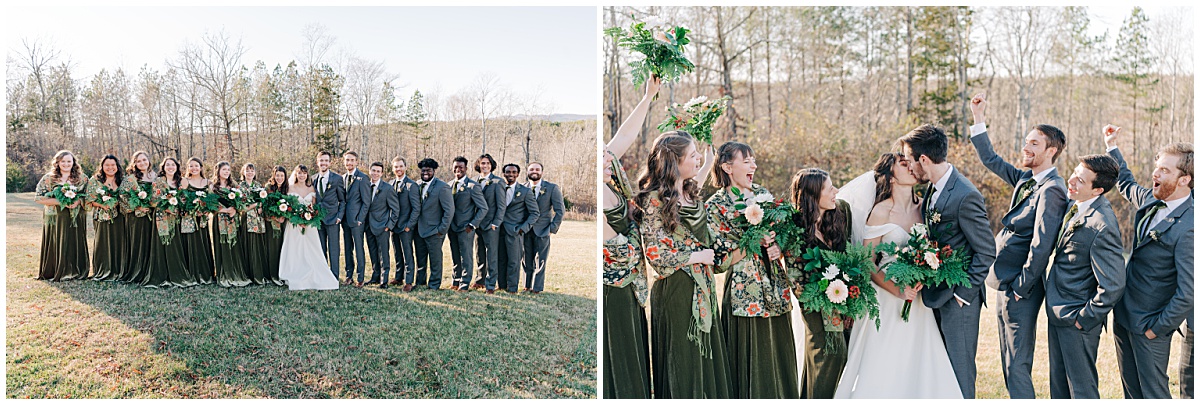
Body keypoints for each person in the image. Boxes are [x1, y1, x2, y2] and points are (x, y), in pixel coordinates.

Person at [832, 154, 962, 399]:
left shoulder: (924, 207)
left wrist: (927, 269)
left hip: (918, 302)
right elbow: (867, 262)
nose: (911, 167)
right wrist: (898, 290)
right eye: (903, 165)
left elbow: (935, 249)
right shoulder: (880, 212)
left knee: (919, 361)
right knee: (885, 361)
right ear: (891, 177)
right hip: (887, 301)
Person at [968, 92, 1069, 398]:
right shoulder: (1027, 179)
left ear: (1051, 151)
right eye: (1026, 141)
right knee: (1007, 361)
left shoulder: (1052, 190)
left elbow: (1041, 247)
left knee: (1017, 363)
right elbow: (990, 159)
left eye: (1034, 143)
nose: (1026, 147)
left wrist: (1020, 287)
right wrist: (978, 118)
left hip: (1020, 288)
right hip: (1004, 282)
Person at [898, 124, 995, 398]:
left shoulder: (966, 195)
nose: (909, 167)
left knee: (959, 372)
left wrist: (963, 294)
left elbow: (987, 250)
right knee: (940, 373)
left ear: (924, 160)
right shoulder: (933, 189)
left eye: (910, 160)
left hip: (958, 302)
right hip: (935, 295)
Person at [637, 131, 733, 398]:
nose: (698, 159)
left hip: (704, 287)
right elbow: (655, 252)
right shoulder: (654, 199)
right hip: (676, 290)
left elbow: (700, 226)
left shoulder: (691, 192)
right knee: (684, 361)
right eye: (692, 155)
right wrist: (697, 257)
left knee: (706, 358)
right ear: (674, 162)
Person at [1105, 126, 1194, 399]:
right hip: (1123, 317)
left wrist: (1158, 328)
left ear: (1184, 180)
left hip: (1151, 326)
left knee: (1154, 394)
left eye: (1165, 170)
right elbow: (1126, 182)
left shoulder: (1191, 225)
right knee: (1131, 394)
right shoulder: (1150, 201)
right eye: (1157, 167)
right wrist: (1111, 146)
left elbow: (1189, 291)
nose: (1156, 173)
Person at [706, 142, 795, 398]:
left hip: (774, 283)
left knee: (778, 349)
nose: (753, 166)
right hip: (745, 290)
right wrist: (751, 242)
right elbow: (718, 262)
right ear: (727, 167)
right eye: (746, 161)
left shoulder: (762, 194)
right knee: (752, 354)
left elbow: (784, 233)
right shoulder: (716, 206)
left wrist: (778, 246)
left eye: (753, 160)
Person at [1043, 154, 1125, 399]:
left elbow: (1113, 284)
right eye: (1074, 173)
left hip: (1076, 320)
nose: (1071, 181)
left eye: (1080, 180)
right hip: (1057, 312)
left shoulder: (1102, 224)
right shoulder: (1077, 205)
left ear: (1097, 190)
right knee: (1059, 389)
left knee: (1082, 391)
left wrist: (1084, 318)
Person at [600, 76, 659, 398]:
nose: (611, 160)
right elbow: (615, 248)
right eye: (605, 160)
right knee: (619, 351)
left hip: (631, 282)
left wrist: (648, 96)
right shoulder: (600, 192)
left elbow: (625, 134)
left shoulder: (610, 181)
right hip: (615, 285)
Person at [786, 168, 853, 399]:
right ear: (813, 196)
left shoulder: (839, 216)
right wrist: (825, 298)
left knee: (845, 360)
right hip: (815, 306)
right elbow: (796, 280)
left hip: (846, 304)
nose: (836, 191)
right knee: (827, 357)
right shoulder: (795, 229)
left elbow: (851, 259)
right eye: (829, 188)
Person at [278, 165, 339, 291]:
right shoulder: (290, 188)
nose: (302, 176)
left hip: (309, 225)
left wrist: (308, 218)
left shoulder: (311, 188)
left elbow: (314, 207)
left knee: (312, 249)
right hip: (294, 225)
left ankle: (316, 272)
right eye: (299, 173)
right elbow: (288, 207)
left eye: (304, 173)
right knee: (295, 248)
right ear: (295, 174)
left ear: (307, 175)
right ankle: (294, 272)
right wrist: (297, 219)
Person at [34, 150, 89, 281]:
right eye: (62, 161)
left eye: (69, 161)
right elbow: (38, 198)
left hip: (76, 217)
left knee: (74, 241)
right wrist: (60, 201)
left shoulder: (82, 178)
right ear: (57, 163)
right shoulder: (48, 178)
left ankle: (75, 270)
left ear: (73, 162)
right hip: (55, 217)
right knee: (57, 241)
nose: (66, 164)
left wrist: (78, 201)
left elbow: (89, 197)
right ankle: (55, 270)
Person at [145, 156, 193, 288]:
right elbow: (153, 201)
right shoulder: (159, 181)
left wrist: (179, 206)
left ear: (177, 167)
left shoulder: (181, 182)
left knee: (176, 244)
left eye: (173, 165)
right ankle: (161, 275)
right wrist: (167, 207)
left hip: (176, 218)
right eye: (168, 165)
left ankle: (176, 273)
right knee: (162, 244)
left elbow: (184, 199)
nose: (170, 167)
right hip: (162, 218)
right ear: (163, 167)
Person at [409, 158, 453, 291]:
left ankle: (434, 284)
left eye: (428, 170)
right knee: (420, 258)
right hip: (419, 229)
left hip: (435, 230)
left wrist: (442, 229)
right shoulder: (416, 185)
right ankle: (420, 281)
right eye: (423, 170)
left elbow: (449, 210)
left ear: (434, 171)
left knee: (435, 260)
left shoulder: (442, 187)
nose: (425, 173)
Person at [522, 162, 565, 293]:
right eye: (531, 169)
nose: (534, 171)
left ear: (542, 172)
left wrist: (552, 229)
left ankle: (537, 288)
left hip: (543, 229)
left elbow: (560, 211)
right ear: (527, 172)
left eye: (537, 169)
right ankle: (526, 285)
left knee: (540, 260)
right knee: (526, 259)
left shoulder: (552, 188)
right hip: (526, 229)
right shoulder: (522, 188)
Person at [498, 163, 539, 294]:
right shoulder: (498, 189)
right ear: (504, 174)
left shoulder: (525, 191)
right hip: (498, 230)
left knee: (514, 261)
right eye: (508, 172)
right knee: (500, 259)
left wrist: (523, 228)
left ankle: (512, 288)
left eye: (513, 172)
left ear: (517, 174)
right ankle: (501, 285)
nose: (510, 174)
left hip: (515, 230)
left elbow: (535, 213)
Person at [448, 156, 487, 291]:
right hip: (451, 227)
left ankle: (465, 283)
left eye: (461, 167)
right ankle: (455, 280)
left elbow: (483, 208)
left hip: (466, 228)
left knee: (466, 256)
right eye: (456, 167)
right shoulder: (448, 185)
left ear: (466, 168)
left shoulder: (472, 186)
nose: (458, 169)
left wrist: (473, 224)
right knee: (454, 255)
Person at [119, 151, 157, 284]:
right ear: (134, 163)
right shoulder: (131, 178)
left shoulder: (154, 176)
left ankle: (150, 270)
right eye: (138, 161)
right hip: (136, 216)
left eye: (144, 160)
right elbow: (122, 195)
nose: (142, 163)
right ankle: (137, 271)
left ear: (149, 161)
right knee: (138, 241)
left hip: (152, 215)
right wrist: (137, 207)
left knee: (151, 242)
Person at [211, 161, 251, 288]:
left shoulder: (234, 186)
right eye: (224, 170)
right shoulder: (213, 187)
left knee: (234, 244)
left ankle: (237, 272)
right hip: (219, 220)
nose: (226, 172)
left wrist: (235, 209)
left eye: (228, 170)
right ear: (218, 171)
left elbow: (242, 202)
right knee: (223, 245)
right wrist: (224, 210)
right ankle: (225, 274)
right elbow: (209, 204)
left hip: (233, 220)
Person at [471, 154, 507, 292]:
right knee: (479, 253)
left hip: (491, 224)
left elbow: (501, 206)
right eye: (482, 163)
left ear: (491, 165)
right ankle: (480, 280)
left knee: (492, 255)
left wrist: (496, 223)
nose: (485, 166)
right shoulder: (473, 181)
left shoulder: (498, 182)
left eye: (487, 163)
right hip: (476, 224)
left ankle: (491, 283)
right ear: (478, 165)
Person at [238, 163, 278, 285]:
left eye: (252, 170)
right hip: (247, 219)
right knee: (249, 243)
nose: (250, 173)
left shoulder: (258, 186)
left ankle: (260, 273)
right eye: (247, 171)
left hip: (259, 218)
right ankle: (251, 274)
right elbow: (241, 206)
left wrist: (261, 205)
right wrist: (255, 204)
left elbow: (263, 201)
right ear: (243, 172)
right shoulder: (241, 187)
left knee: (259, 244)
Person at [89, 154, 127, 281]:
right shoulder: (95, 181)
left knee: (119, 242)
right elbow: (89, 199)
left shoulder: (123, 180)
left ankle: (119, 270)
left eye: (113, 165)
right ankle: (103, 269)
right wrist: (103, 205)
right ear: (102, 166)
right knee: (103, 242)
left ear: (117, 166)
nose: (110, 167)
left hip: (120, 217)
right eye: (107, 165)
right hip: (102, 216)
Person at [181, 157, 215, 285]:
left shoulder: (208, 182)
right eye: (191, 166)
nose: (194, 168)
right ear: (188, 168)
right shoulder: (185, 181)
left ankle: (205, 274)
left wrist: (206, 209)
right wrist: (191, 209)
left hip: (202, 219)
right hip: (189, 218)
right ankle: (192, 274)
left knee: (202, 242)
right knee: (191, 243)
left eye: (196, 166)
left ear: (201, 167)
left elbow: (212, 201)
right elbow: (181, 199)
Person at [364, 162, 399, 288]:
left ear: (382, 173)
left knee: (383, 253)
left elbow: (395, 209)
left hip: (382, 226)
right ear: (370, 171)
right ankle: (375, 276)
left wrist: (389, 225)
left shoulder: (387, 188)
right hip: (368, 226)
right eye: (373, 170)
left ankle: (384, 280)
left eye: (378, 171)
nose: (375, 173)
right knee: (373, 252)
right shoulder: (366, 186)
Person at [314, 151, 346, 280]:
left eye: (326, 161)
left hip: (333, 219)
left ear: (330, 163)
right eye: (321, 160)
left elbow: (343, 200)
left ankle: (334, 276)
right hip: (318, 220)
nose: (323, 163)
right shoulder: (313, 179)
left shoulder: (337, 179)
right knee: (320, 249)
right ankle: (323, 275)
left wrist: (339, 216)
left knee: (334, 249)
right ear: (317, 162)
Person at [388, 157, 420, 287]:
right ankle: (398, 276)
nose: (398, 169)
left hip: (406, 226)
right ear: (393, 169)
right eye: (396, 167)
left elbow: (416, 208)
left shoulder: (411, 185)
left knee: (408, 254)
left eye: (400, 166)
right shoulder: (390, 184)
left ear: (405, 167)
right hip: (393, 226)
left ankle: (408, 281)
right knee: (397, 253)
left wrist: (409, 225)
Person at [341, 151, 371, 284]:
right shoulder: (342, 178)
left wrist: (360, 219)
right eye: (347, 160)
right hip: (345, 220)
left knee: (359, 248)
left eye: (352, 160)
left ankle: (360, 277)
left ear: (356, 162)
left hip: (357, 220)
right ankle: (349, 275)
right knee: (348, 248)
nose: (349, 163)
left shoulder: (363, 178)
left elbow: (366, 201)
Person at [264, 166, 290, 285]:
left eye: (282, 176)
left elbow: (291, 205)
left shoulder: (287, 188)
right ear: (274, 176)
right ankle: (273, 275)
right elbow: (265, 206)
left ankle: (283, 273)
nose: (280, 178)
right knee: (273, 248)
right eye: (277, 175)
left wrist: (284, 216)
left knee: (283, 248)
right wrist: (275, 217)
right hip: (271, 223)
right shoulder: (269, 188)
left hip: (284, 222)